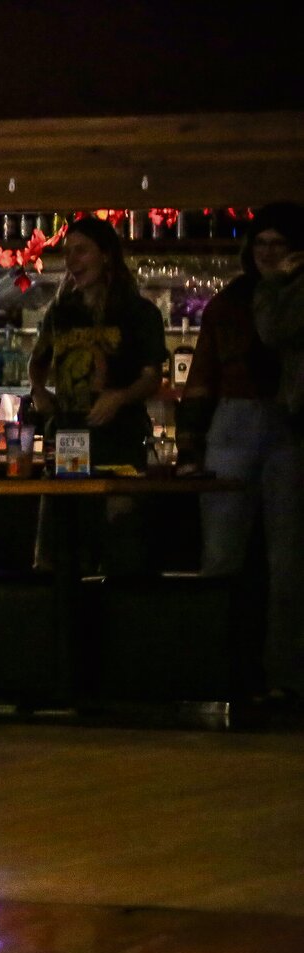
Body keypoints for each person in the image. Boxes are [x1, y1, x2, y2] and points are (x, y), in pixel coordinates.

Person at [27, 215, 167, 574]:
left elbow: (152, 377)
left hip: (119, 442)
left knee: (120, 552)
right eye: (67, 252)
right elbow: (37, 361)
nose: (71, 261)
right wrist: (39, 390)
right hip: (69, 439)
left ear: (106, 255)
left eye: (81, 251)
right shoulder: (60, 312)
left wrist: (119, 397)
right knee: (60, 553)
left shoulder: (138, 313)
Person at [248, 202, 304, 700]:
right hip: (291, 426)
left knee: (289, 565)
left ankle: (286, 681)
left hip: (296, 428)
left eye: (276, 245)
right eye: (259, 244)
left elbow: (273, 331)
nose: (267, 254)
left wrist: (274, 286)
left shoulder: (288, 289)